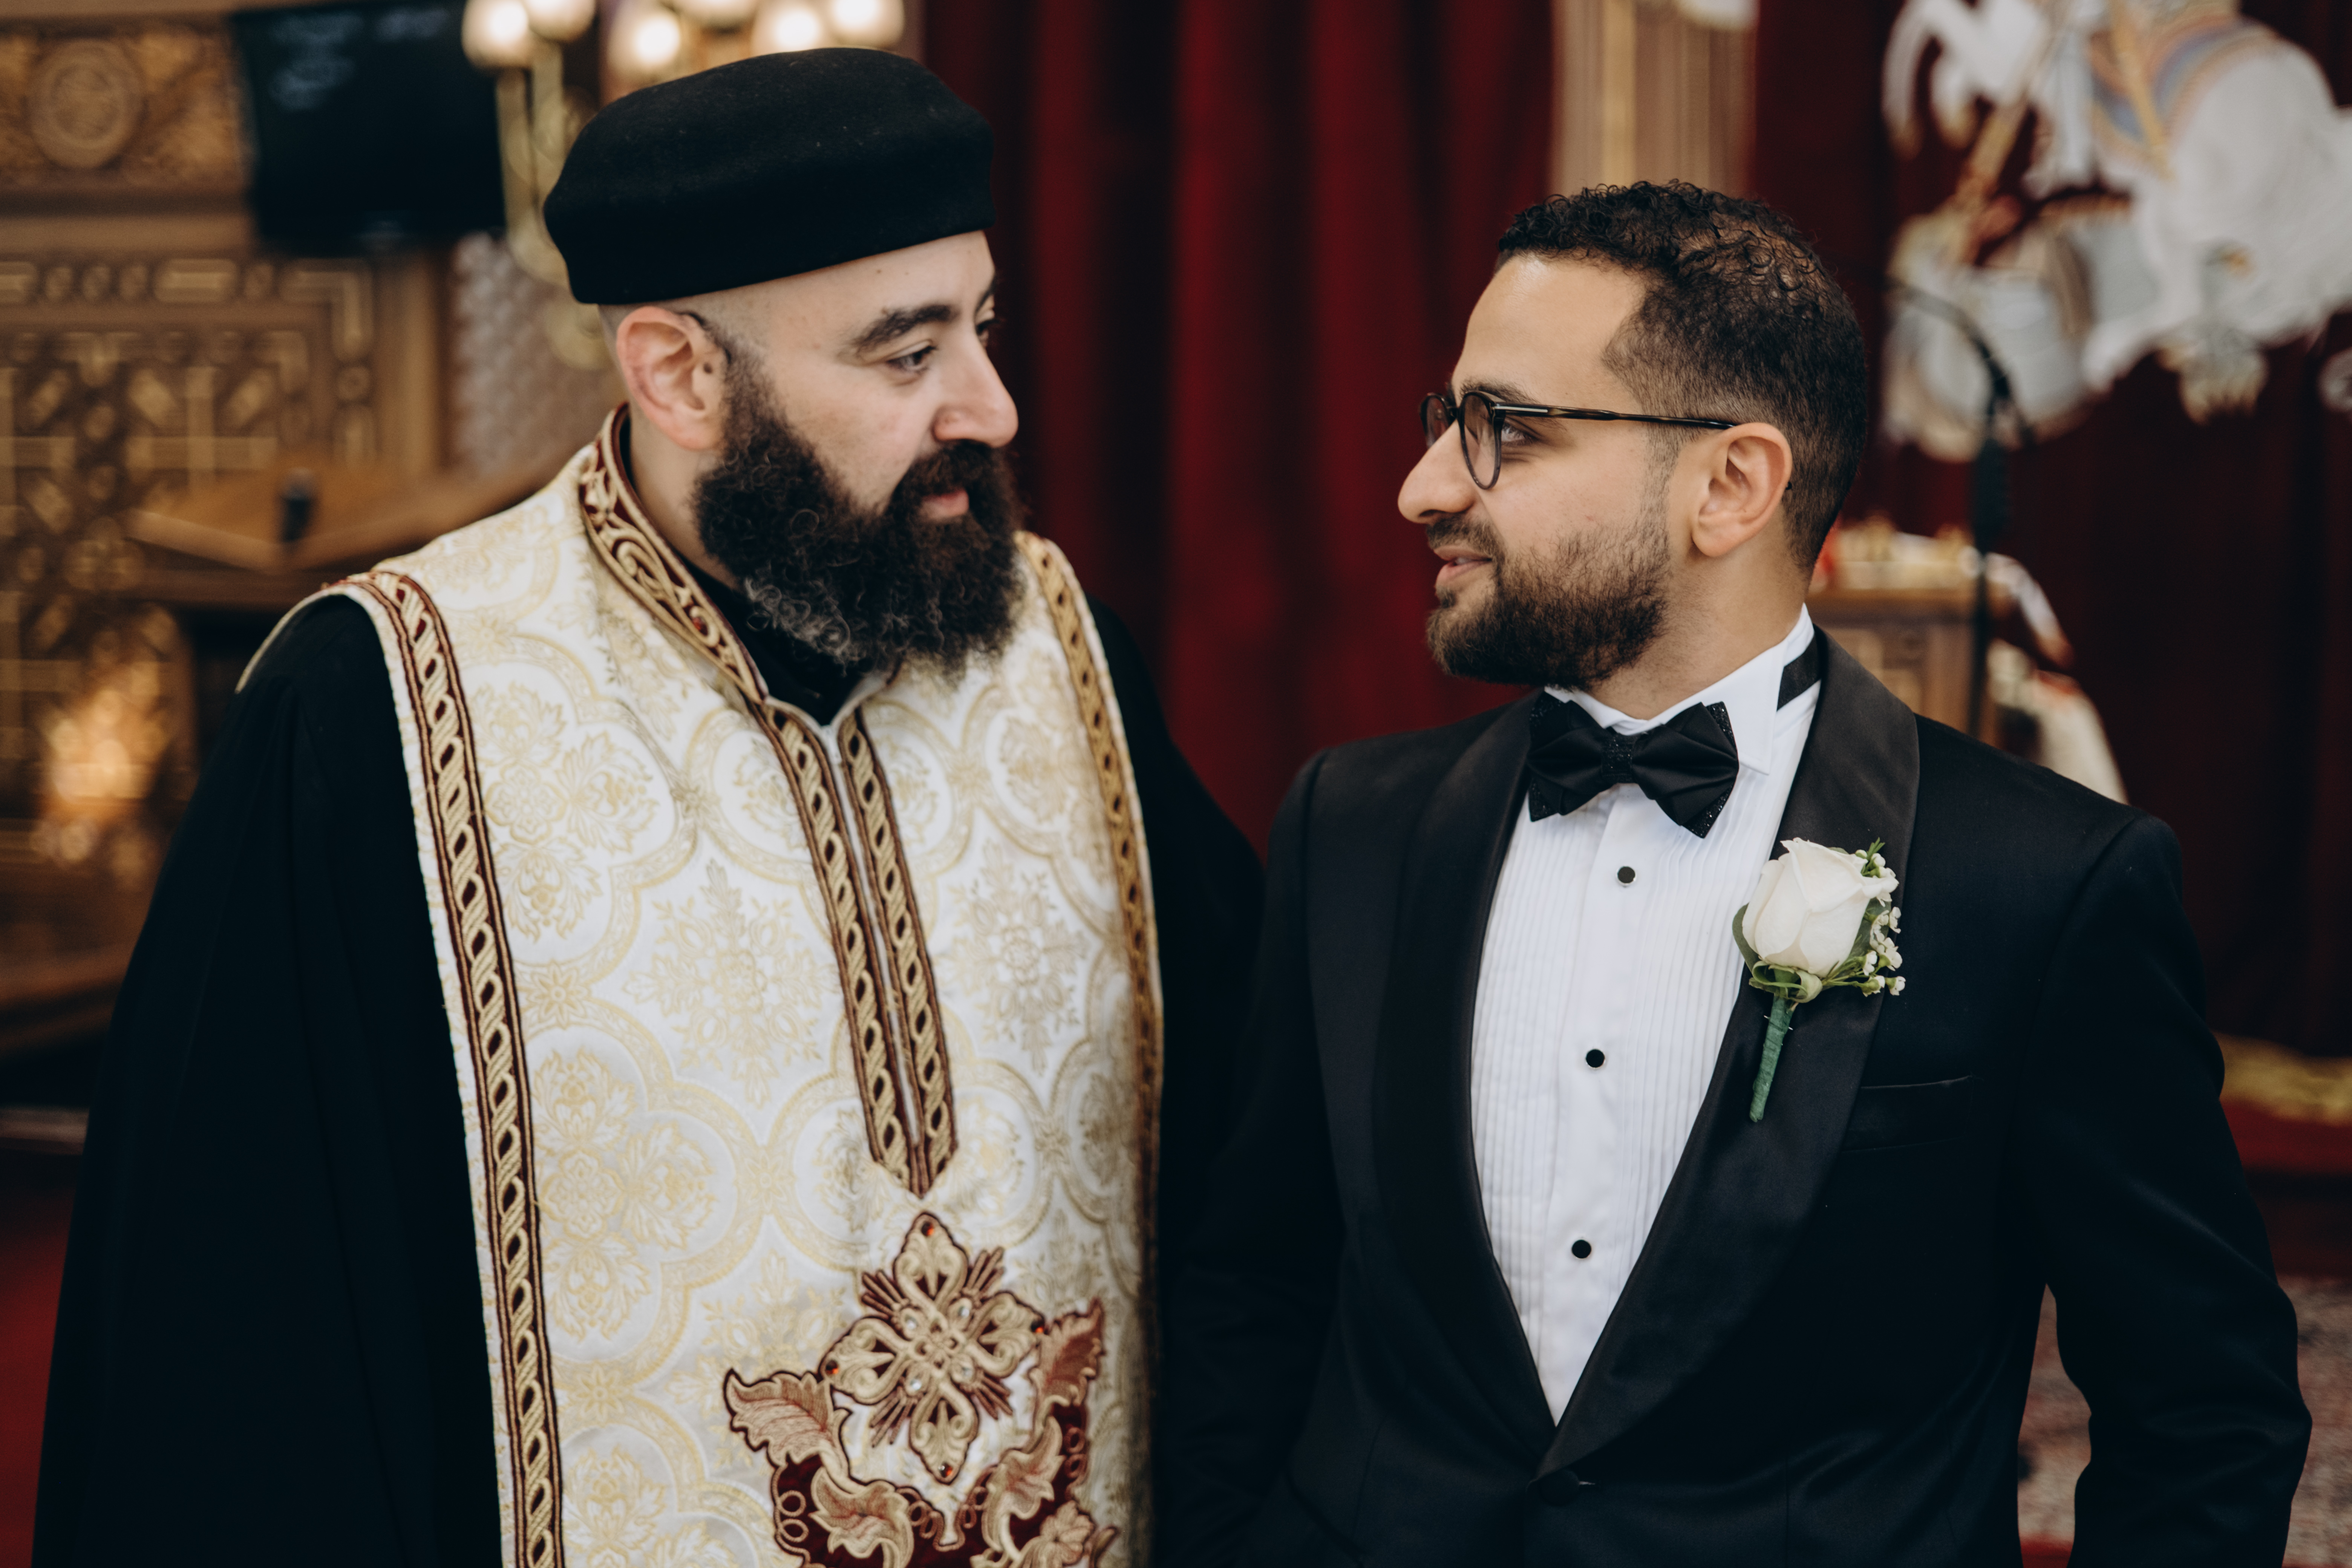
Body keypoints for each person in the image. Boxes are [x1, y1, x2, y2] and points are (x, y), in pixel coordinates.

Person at [37, 50, 1259, 1567]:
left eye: (984, 327)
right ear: (681, 376)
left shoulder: (1060, 654)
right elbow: (238, 1354)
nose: (992, 407)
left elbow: (1249, 1189)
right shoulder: (384, 709)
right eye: (907, 355)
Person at [1156, 182, 2309, 1566]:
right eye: (1445, 420)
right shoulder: (1349, 828)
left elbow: (2203, 1411)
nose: (1427, 488)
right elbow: (1255, 1292)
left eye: (1506, 429)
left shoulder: (2046, 884)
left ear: (1731, 487)